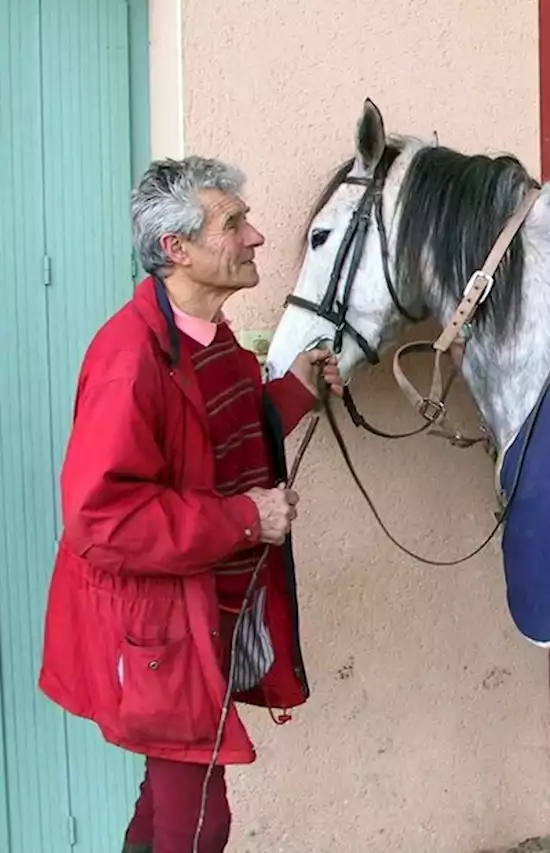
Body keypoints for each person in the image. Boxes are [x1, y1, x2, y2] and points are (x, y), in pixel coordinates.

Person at [37, 155, 343, 853]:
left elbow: (221, 442)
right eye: (233, 223)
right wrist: (246, 519)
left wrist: (294, 390)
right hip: (160, 635)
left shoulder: (208, 339)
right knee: (199, 825)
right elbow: (102, 518)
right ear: (177, 249)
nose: (257, 236)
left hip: (200, 619)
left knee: (165, 805)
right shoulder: (130, 361)